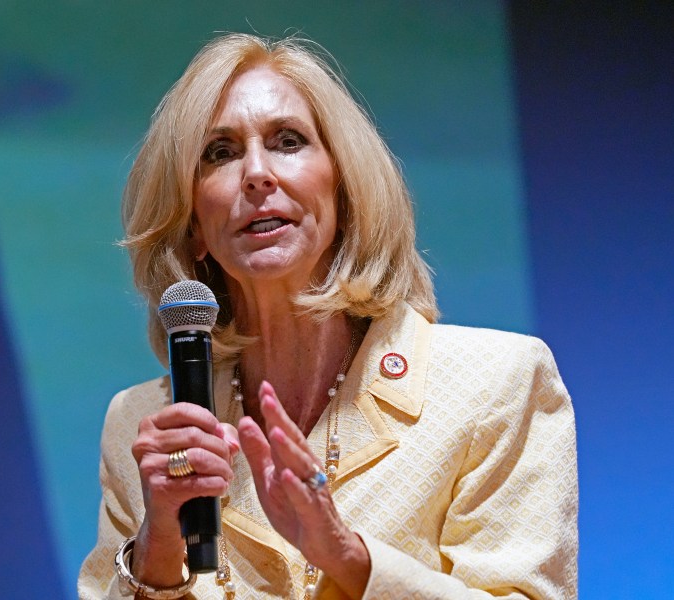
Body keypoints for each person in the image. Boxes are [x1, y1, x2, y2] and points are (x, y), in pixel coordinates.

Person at [79, 33, 577, 599]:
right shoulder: (140, 425)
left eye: (288, 141)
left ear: (343, 192)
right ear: (193, 225)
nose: (256, 174)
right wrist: (158, 551)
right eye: (219, 153)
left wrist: (348, 556)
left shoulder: (496, 385)